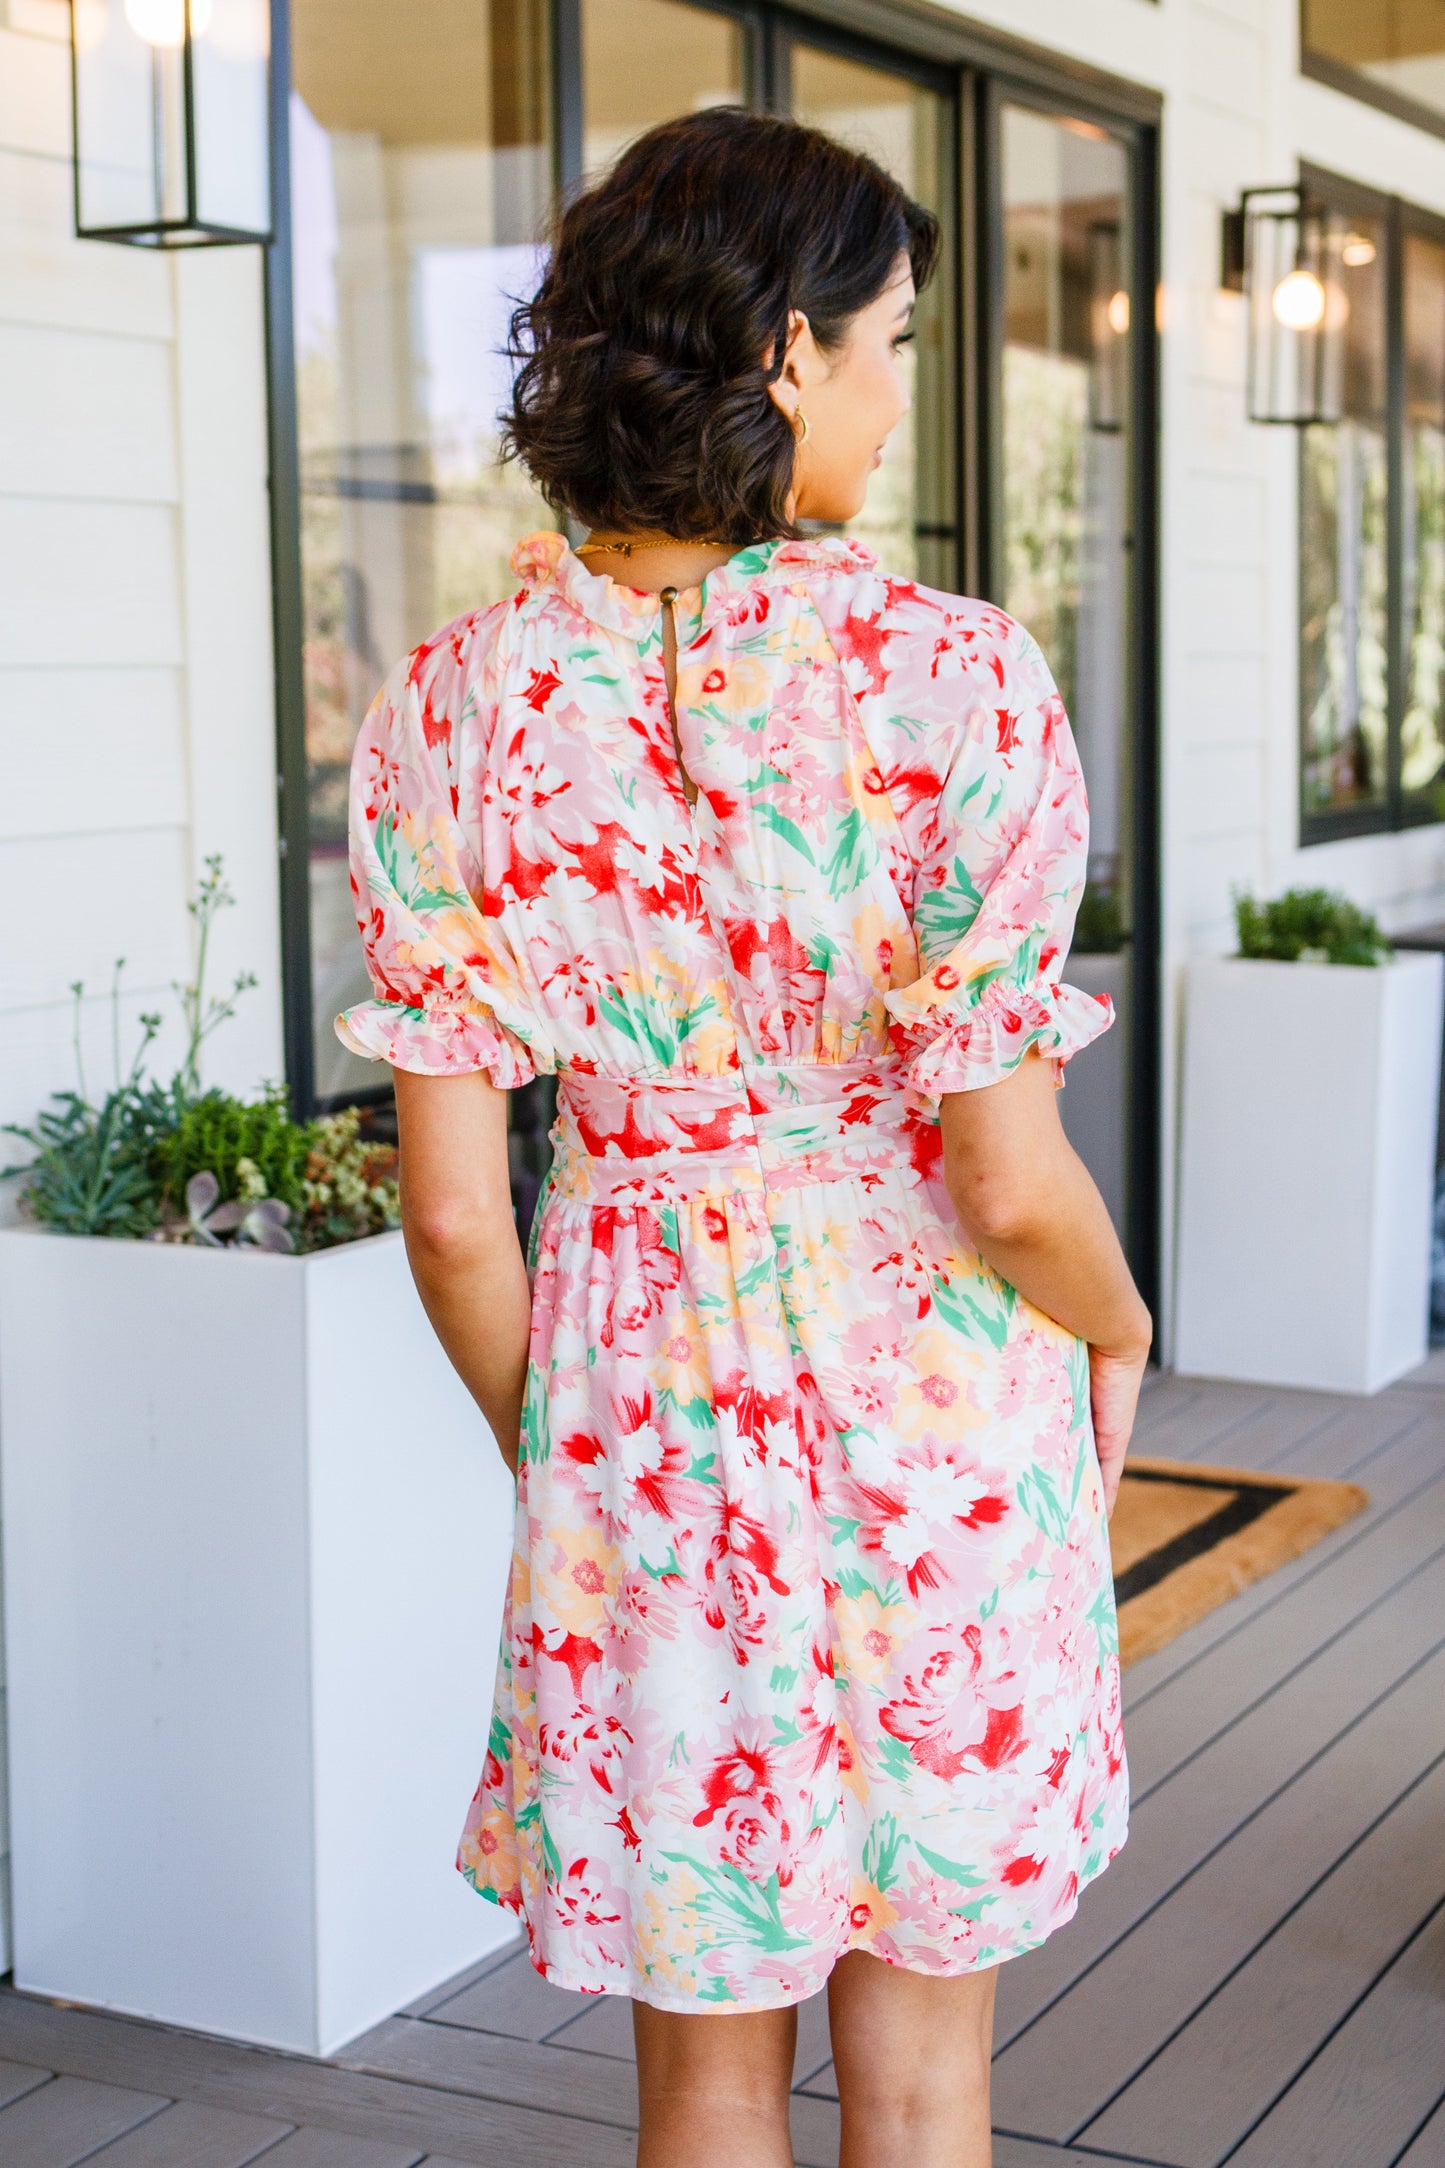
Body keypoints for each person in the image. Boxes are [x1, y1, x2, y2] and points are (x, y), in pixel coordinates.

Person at [337, 105, 1150, 2168]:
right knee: (924, 2066)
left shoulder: (450, 710)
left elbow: (452, 1218)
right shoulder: (956, 682)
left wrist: (583, 1439)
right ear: (787, 354)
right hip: (938, 1413)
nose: (900, 386)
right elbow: (1002, 1176)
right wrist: (1120, 1326)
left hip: (643, 1420)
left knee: (704, 2069)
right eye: (890, 339)